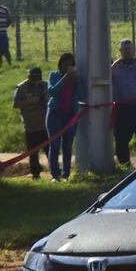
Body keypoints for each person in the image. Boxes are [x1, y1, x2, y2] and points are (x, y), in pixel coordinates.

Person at [46, 53, 84, 181]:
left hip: (70, 115)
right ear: (60, 65)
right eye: (64, 64)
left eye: (70, 64)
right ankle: (55, 175)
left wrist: (77, 82)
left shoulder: (77, 78)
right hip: (55, 114)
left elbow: (81, 95)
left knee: (67, 145)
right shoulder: (54, 75)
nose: (67, 67)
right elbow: (51, 92)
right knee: (54, 144)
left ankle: (66, 174)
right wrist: (64, 80)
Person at [13, 67, 50, 180]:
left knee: (50, 150)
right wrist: (30, 101)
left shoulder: (46, 85)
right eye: (33, 78)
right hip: (31, 126)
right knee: (33, 153)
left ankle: (55, 172)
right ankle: (35, 174)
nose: (36, 81)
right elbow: (16, 104)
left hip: (45, 124)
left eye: (37, 78)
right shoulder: (22, 87)